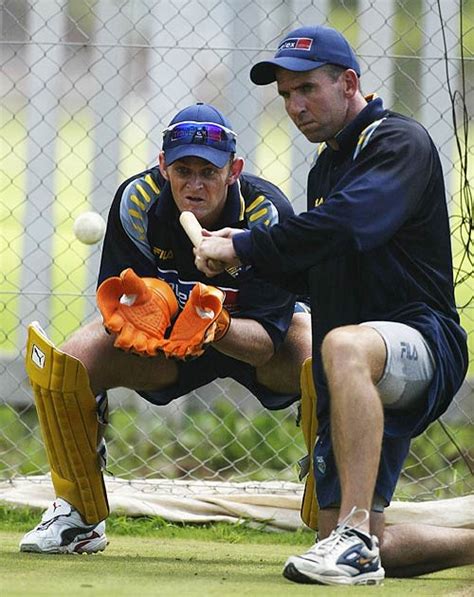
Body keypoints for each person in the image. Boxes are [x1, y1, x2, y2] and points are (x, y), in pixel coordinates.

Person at [194, 26, 474, 585]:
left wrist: (242, 244)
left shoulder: (399, 142)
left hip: (423, 340)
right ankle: (357, 537)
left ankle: (353, 529)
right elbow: (313, 259)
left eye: (307, 90)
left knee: (340, 346)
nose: (295, 106)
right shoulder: (328, 167)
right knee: (345, 545)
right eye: (285, 96)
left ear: (348, 83)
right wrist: (228, 275)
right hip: (357, 366)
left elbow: (345, 227)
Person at [19, 102, 312, 554]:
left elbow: (266, 344)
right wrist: (142, 313)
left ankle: (334, 511)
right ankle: (77, 513)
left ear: (234, 170)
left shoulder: (266, 214)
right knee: (72, 362)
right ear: (162, 166)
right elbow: (118, 309)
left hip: (254, 342)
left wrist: (214, 324)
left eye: (208, 173)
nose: (194, 185)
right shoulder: (137, 201)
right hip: (170, 349)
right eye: (183, 170)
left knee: (323, 357)